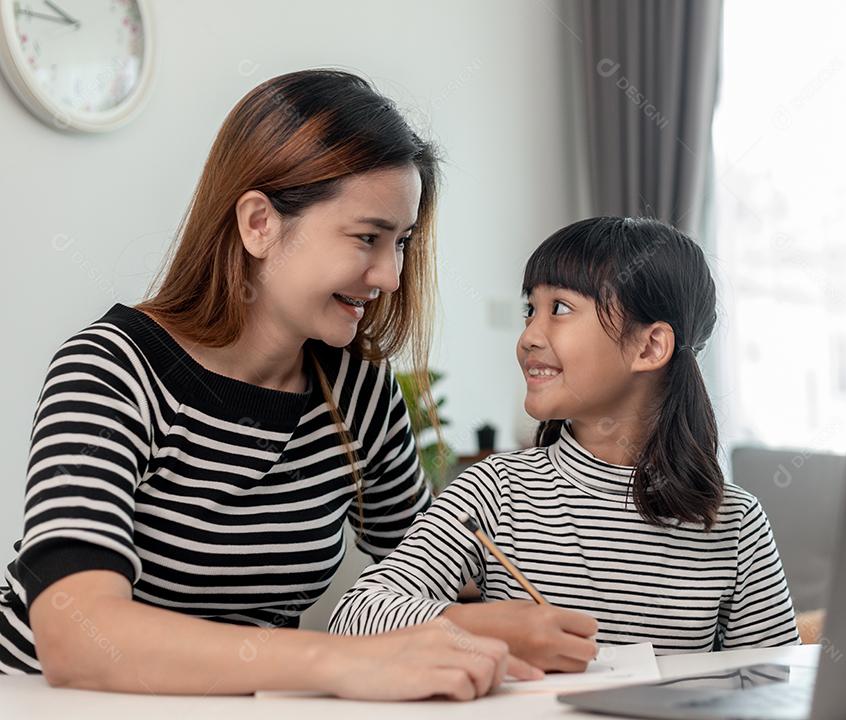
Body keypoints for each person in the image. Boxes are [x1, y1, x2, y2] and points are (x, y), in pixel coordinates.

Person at [0, 68, 539, 700]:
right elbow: (77, 638)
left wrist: (499, 618)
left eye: (402, 243)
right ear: (259, 223)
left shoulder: (359, 396)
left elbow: (431, 574)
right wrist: (343, 661)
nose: (391, 276)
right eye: (368, 237)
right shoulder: (113, 370)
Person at [329, 217, 801, 670]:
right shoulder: (494, 491)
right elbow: (354, 618)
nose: (528, 337)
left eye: (560, 309)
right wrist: (477, 626)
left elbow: (773, 686)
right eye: (529, 310)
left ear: (650, 346)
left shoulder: (734, 526)